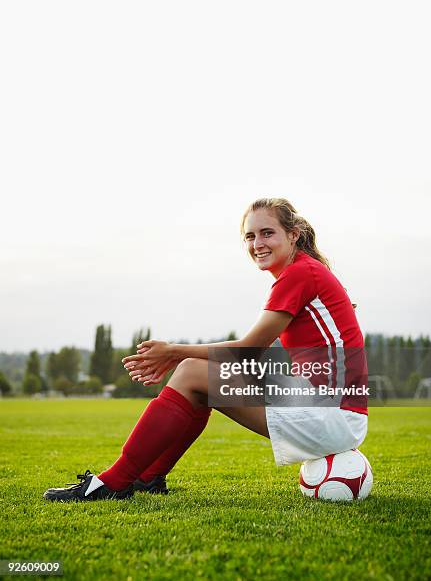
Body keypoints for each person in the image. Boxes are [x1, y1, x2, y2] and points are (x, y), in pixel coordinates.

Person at [44, 198, 368, 502]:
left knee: (192, 371)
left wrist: (172, 351)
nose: (258, 244)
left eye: (267, 233)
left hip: (332, 415)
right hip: (328, 408)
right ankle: (148, 477)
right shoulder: (305, 271)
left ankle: (114, 482)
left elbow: (246, 351)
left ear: (293, 235)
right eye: (250, 236)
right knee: (196, 378)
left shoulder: (299, 273)